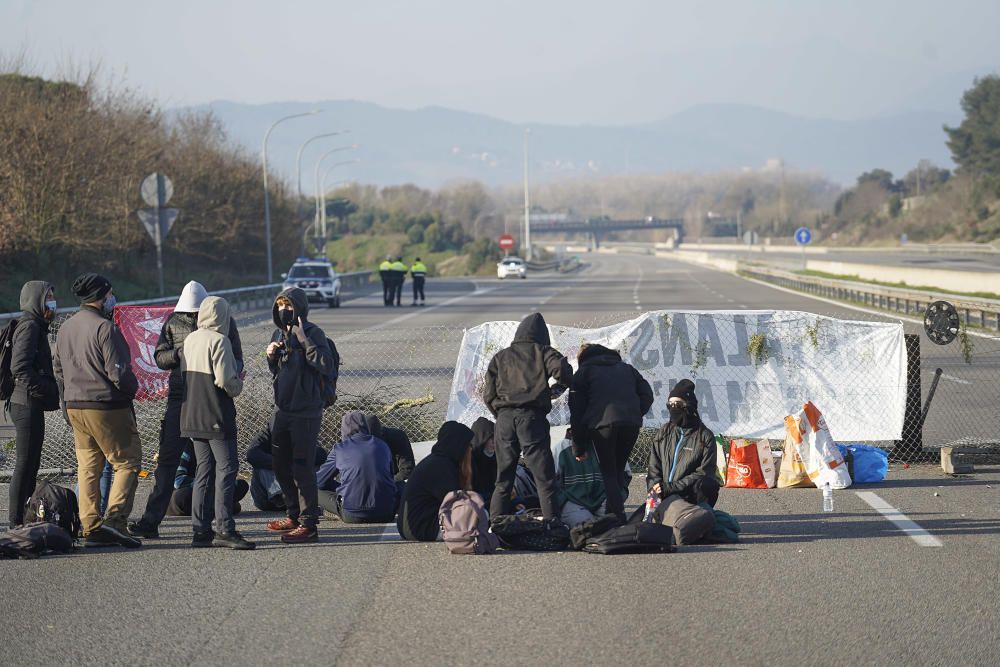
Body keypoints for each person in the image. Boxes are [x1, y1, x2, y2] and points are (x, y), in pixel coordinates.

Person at [129, 281, 243, 539]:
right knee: (179, 463)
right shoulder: (173, 322)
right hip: (186, 399)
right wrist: (180, 355)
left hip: (197, 398)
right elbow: (160, 357)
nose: (192, 316)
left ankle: (202, 524)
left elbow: (236, 356)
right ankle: (154, 521)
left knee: (205, 466)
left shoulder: (223, 324)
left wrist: (225, 368)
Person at [53, 273, 141, 548]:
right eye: (110, 294)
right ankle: (115, 522)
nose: (113, 299)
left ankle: (90, 525)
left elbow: (58, 369)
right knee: (127, 461)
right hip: (106, 406)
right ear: (102, 297)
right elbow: (118, 373)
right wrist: (130, 392)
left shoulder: (65, 328)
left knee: (88, 467)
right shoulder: (105, 328)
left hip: (75, 406)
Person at [483, 312, 572, 523]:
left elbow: (488, 394)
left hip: (504, 419)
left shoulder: (501, 356)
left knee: (503, 478)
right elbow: (560, 368)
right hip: (531, 418)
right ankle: (552, 524)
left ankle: (496, 523)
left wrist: (500, 412)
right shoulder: (542, 351)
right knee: (543, 477)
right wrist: (560, 386)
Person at [180, 296, 253, 549]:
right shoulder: (220, 341)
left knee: (204, 471)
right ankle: (225, 528)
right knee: (227, 468)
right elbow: (226, 383)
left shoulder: (190, 339)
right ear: (222, 316)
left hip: (191, 414)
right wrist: (239, 380)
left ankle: (200, 530)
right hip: (216, 415)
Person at [265, 288, 336, 544]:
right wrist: (271, 358)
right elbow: (278, 372)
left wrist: (304, 339)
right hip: (282, 409)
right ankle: (293, 515)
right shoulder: (278, 333)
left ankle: (308, 524)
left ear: (300, 308)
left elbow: (326, 366)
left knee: (302, 467)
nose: (284, 309)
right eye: (280, 304)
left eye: (289, 305)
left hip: (307, 411)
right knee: (280, 466)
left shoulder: (315, 333)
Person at [568, 342, 653, 521]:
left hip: (602, 426)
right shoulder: (627, 369)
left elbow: (577, 411)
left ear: (582, 358)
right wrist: (636, 412)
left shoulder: (584, 372)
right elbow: (647, 394)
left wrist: (579, 446)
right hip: (631, 423)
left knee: (608, 471)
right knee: (618, 468)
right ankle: (614, 511)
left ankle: (616, 515)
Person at [7, 281, 60, 527]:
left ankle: (25, 517)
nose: (52, 300)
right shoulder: (29, 327)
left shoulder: (36, 325)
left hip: (29, 403)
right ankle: (15, 521)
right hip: (25, 403)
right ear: (36, 299)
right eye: (48, 296)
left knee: (31, 464)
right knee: (24, 464)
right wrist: (40, 388)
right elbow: (19, 366)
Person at [647, 379, 720, 507]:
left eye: (677, 404)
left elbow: (703, 473)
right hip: (662, 496)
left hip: (688, 497)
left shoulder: (704, 437)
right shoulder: (664, 432)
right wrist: (656, 488)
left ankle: (701, 513)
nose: (673, 408)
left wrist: (671, 488)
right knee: (633, 524)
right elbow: (654, 467)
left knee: (706, 483)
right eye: (670, 405)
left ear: (689, 406)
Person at [317, 411, 400, 523]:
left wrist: (339, 487)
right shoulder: (382, 445)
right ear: (366, 427)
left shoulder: (340, 448)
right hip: (386, 513)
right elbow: (390, 477)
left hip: (352, 514)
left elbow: (319, 482)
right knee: (401, 485)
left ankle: (337, 511)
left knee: (312, 489)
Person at [396, 421, 473, 541]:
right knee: (475, 518)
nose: (470, 450)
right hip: (421, 529)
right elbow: (458, 504)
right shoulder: (441, 467)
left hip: (409, 527)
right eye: (468, 445)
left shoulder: (436, 461)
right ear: (459, 445)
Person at [552, 430, 631, 527]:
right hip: (573, 501)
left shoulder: (608, 445)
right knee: (586, 528)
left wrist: (614, 498)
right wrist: (563, 501)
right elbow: (551, 482)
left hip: (604, 499)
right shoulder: (561, 448)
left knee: (612, 525)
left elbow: (625, 475)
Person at [246, 418, 326, 511]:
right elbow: (252, 455)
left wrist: (293, 461)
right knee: (261, 468)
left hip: (297, 489)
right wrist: (281, 462)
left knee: (313, 465)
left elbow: (321, 454)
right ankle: (281, 497)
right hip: (268, 499)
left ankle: (300, 498)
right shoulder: (267, 433)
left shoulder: (302, 433)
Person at [164, 441, 249, 517]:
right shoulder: (185, 445)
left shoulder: (218, 446)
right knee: (183, 496)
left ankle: (214, 507)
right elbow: (178, 481)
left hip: (211, 490)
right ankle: (220, 507)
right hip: (187, 491)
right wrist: (206, 485)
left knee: (241, 485)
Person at [364, 413, 415, 482]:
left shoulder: (397, 437)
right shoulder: (358, 443)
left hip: (393, 481)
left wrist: (388, 484)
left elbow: (406, 470)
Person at [469, 417, 497, 505]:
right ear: (482, 440)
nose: (494, 443)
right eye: (491, 439)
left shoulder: (495, 459)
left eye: (496, 438)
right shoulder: (470, 461)